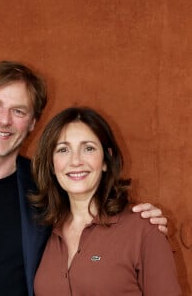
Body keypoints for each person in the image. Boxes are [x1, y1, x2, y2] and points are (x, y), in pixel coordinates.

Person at [0, 61, 168, 296]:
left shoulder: (47, 187)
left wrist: (145, 226)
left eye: (18, 111)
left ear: (34, 122)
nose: (4, 120)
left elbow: (95, 215)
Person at [31, 106, 181, 296]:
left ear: (105, 159)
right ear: (52, 164)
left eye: (88, 148)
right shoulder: (42, 232)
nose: (75, 161)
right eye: (63, 150)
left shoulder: (144, 230)